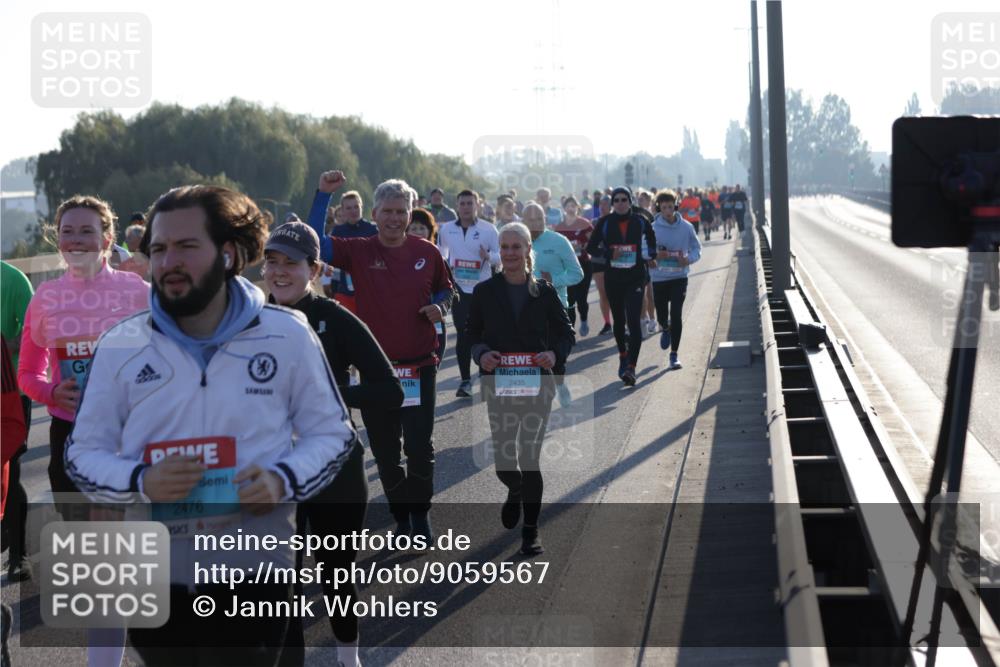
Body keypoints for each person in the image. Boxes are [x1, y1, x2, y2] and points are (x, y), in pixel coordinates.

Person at [66, 185, 357, 667]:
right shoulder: (120, 344)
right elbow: (82, 453)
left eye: (186, 246)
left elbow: (334, 434)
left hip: (253, 570)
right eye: (158, 249)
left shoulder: (286, 334)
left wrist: (282, 479)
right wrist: (139, 481)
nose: (168, 261)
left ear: (227, 254)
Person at [263, 221, 403, 667]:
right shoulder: (248, 322)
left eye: (291, 263)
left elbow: (388, 389)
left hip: (334, 468)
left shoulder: (337, 319)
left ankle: (348, 658)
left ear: (315, 268)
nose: (279, 271)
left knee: (335, 574)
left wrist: (332, 396)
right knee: (279, 580)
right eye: (271, 261)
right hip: (272, 471)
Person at [306, 170, 454, 540]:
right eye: (387, 211)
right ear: (374, 214)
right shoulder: (359, 250)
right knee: (386, 453)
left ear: (411, 212)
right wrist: (322, 195)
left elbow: (446, 291)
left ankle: (419, 515)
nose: (394, 218)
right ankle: (400, 512)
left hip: (420, 367)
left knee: (419, 448)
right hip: (375, 372)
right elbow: (314, 246)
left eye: (400, 211)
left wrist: (440, 306)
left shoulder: (427, 252)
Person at [18, 196, 149, 503]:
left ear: (106, 238)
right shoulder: (45, 298)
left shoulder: (137, 292)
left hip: (128, 431)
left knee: (127, 538)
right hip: (69, 432)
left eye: (86, 231)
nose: (76, 240)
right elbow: (26, 374)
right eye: (68, 231)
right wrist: (52, 393)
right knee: (80, 541)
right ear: (58, 238)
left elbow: (173, 356)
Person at [467, 222, 574, 556]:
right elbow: (472, 335)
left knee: (529, 457)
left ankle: (531, 530)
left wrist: (553, 354)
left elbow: (566, 333)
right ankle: (515, 490)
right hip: (499, 385)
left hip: (538, 386)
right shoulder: (485, 292)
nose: (511, 253)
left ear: (529, 249)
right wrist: (482, 354)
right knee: (503, 462)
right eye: (505, 247)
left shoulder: (544, 291)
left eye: (517, 246)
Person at [586, 187, 656, 386]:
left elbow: (651, 241)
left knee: (633, 321)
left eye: (624, 199)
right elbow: (591, 248)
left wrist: (650, 255)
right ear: (612, 203)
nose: (620, 203)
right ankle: (623, 355)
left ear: (630, 200)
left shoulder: (641, 220)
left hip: (635, 278)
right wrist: (609, 253)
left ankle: (631, 368)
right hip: (614, 278)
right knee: (619, 321)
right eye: (616, 200)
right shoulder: (605, 222)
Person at [436, 189, 500, 398]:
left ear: (478, 205)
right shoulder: (446, 229)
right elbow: (441, 254)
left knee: (484, 333)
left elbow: (501, 256)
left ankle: (485, 372)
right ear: (457, 206)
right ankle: (465, 381)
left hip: (484, 289)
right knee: (463, 335)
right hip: (460, 290)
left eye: (469, 203)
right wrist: (447, 267)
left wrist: (488, 256)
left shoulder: (488, 229)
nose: (465, 207)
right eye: (462, 203)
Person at [521, 203, 582, 407]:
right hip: (526, 308)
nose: (535, 223)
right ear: (522, 221)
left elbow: (577, 273)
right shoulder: (517, 241)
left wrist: (553, 280)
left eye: (539, 219)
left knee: (556, 354)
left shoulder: (558, 241)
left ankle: (559, 382)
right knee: (532, 355)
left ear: (545, 219)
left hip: (556, 307)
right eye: (530, 220)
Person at [0, 261, 32, 581]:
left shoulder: (13, 279)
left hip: (9, 390)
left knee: (11, 470)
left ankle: (19, 556)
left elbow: (36, 330)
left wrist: (5, 346)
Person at [650, 191, 702, 370]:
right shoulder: (652, 228)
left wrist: (688, 259)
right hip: (659, 278)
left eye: (670, 207)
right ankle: (664, 328)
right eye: (663, 207)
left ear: (676, 206)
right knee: (663, 314)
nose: (667, 211)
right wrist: (655, 254)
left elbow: (697, 248)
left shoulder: (686, 227)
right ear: (659, 207)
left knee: (677, 314)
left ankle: (674, 354)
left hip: (679, 276)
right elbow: (643, 250)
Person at [407, 208, 455, 367]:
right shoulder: (395, 257)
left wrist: (438, 306)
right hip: (404, 325)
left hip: (434, 324)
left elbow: (448, 289)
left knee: (430, 371)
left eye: (422, 228)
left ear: (430, 231)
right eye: (413, 228)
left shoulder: (438, 258)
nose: (418, 232)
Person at [327, 190, 378, 314]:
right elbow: (334, 262)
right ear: (343, 210)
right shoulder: (337, 232)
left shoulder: (373, 229)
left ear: (361, 207)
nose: (353, 211)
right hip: (344, 291)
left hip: (370, 291)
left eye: (356, 206)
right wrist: (334, 287)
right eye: (349, 208)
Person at [554, 197, 594, 335]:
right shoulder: (559, 227)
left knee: (582, 298)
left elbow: (594, 241)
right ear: (564, 208)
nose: (571, 208)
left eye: (574, 206)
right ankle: (570, 330)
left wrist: (583, 246)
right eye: (568, 206)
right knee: (570, 299)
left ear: (578, 208)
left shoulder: (584, 223)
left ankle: (584, 320)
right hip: (566, 267)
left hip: (583, 264)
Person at [591, 194, 613, 335]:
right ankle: (607, 323)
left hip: (614, 261)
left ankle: (621, 322)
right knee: (603, 293)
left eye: (606, 204)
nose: (602, 207)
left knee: (616, 293)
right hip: (598, 260)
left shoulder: (616, 221)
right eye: (601, 204)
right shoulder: (593, 222)